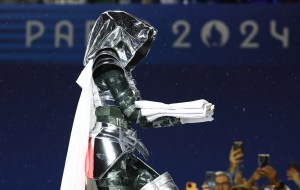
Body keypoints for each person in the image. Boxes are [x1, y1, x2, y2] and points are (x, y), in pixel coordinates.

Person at [60, 11, 214, 190]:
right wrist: (185, 111)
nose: (134, 46)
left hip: (121, 148)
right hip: (108, 149)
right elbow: (133, 112)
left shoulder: (116, 67)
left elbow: (141, 118)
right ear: (117, 35)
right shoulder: (107, 64)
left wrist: (191, 116)